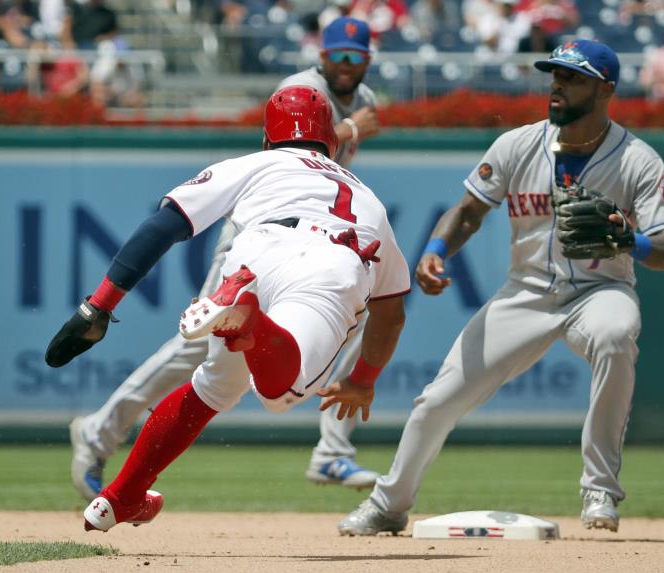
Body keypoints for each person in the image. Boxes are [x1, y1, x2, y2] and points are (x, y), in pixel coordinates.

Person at [338, 39, 664, 536]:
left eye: (574, 78)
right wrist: (436, 248)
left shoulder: (637, 160)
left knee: (615, 336)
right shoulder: (518, 144)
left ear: (606, 89)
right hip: (526, 292)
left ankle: (600, 490)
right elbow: (469, 212)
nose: (558, 85)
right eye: (556, 75)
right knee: (438, 399)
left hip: (600, 289)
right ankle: (389, 505)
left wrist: (635, 242)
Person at [45, 85, 410, 532]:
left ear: (266, 138)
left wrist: (98, 307)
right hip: (330, 261)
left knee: (212, 389)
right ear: (332, 141)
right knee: (281, 394)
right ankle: (251, 322)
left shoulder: (255, 164)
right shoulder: (368, 198)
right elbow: (391, 311)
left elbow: (164, 226)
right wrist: (362, 381)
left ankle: (121, 497)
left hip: (252, 253)